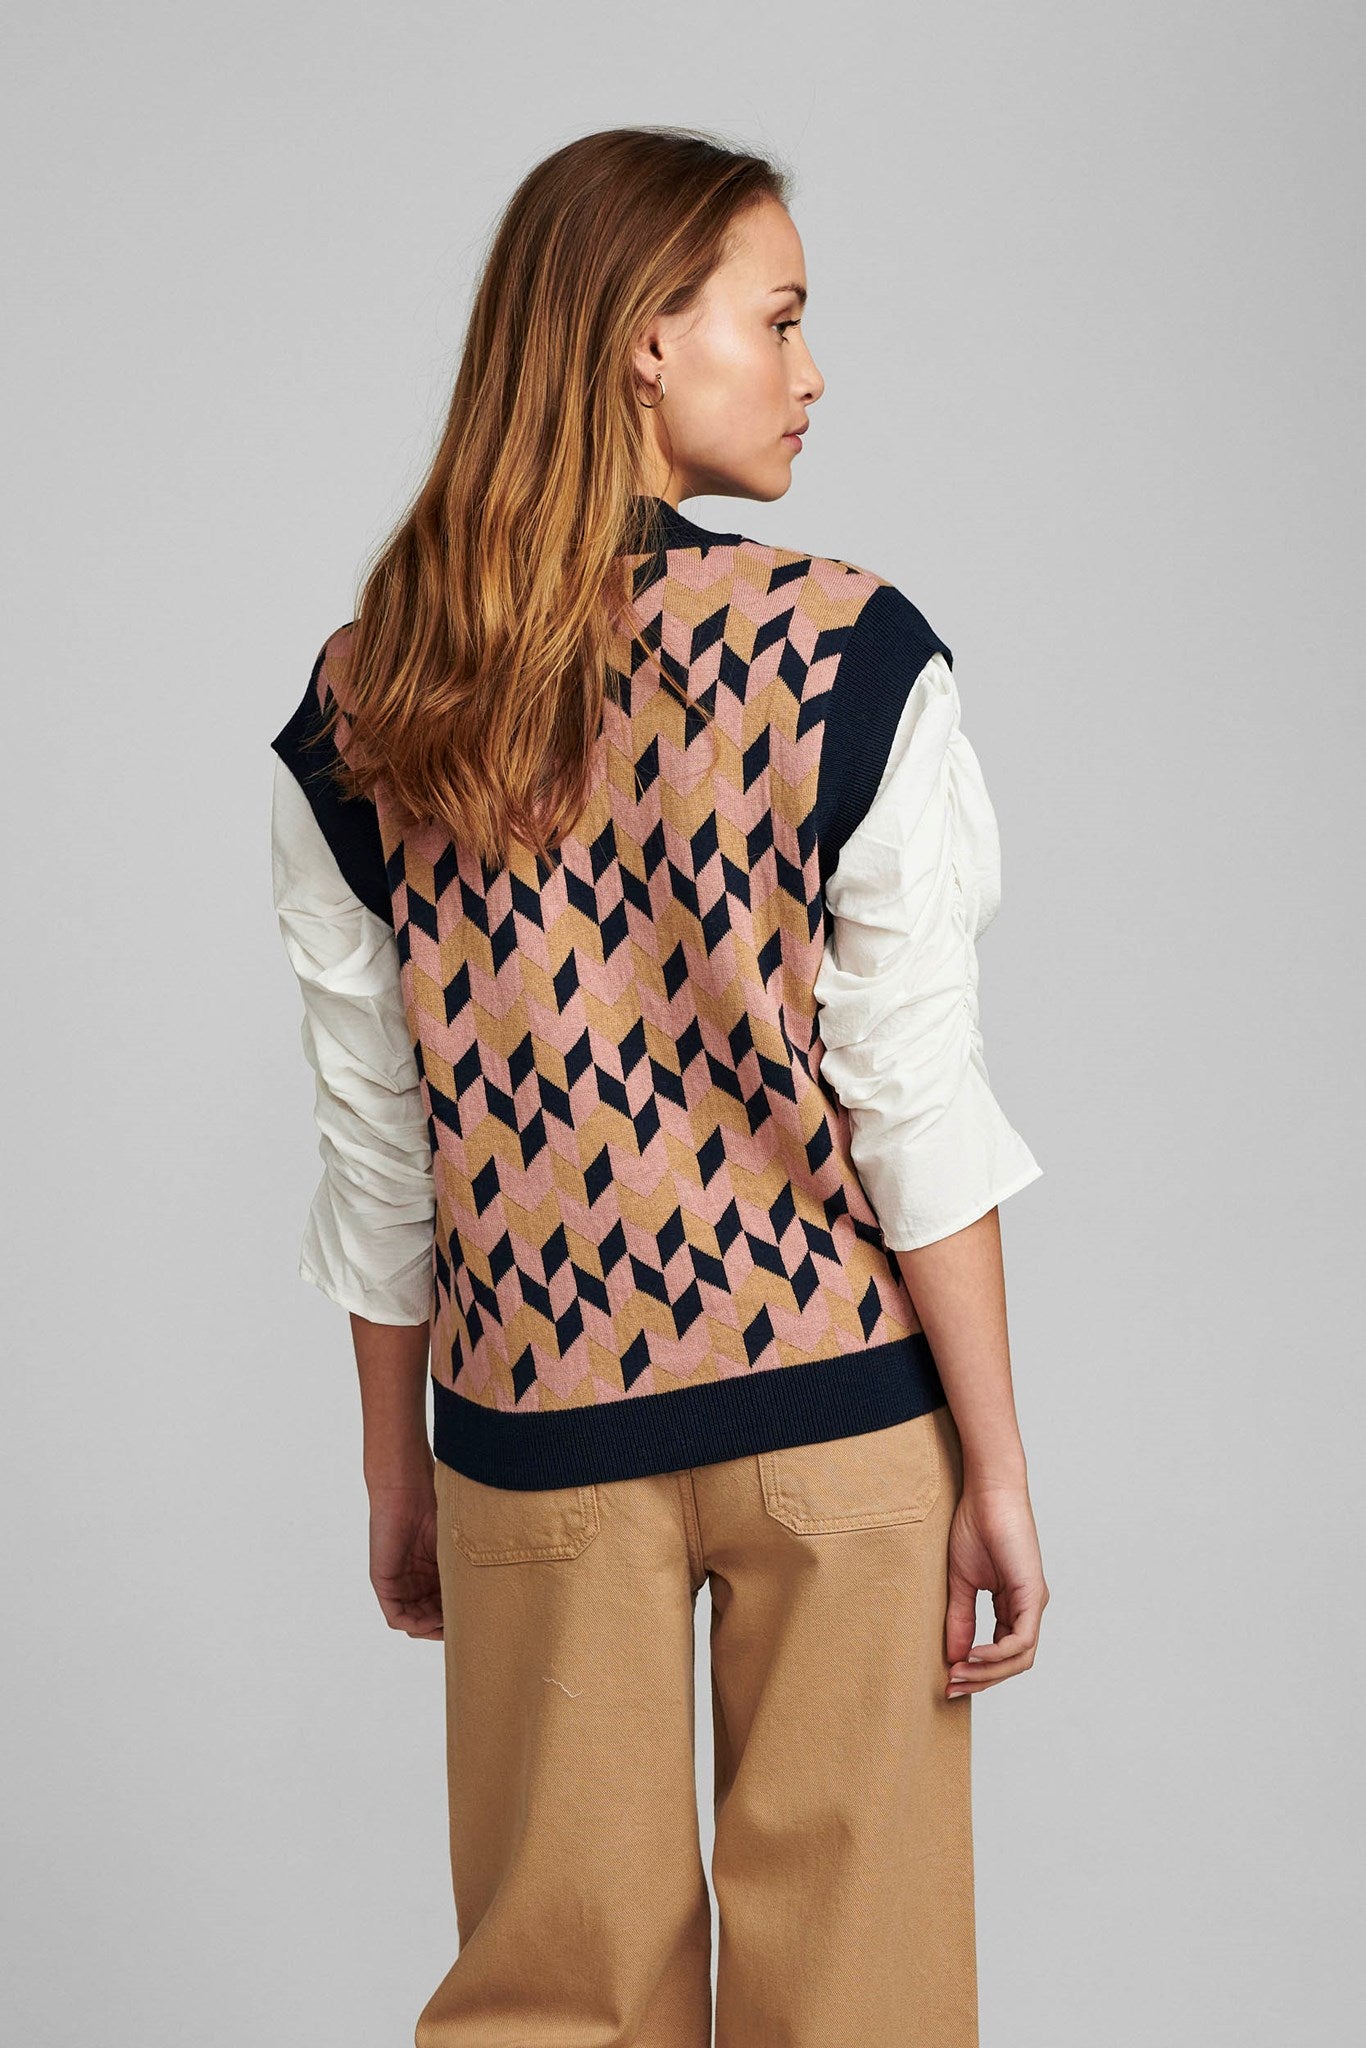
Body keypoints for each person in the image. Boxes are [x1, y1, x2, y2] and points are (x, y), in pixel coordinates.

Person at [269, 124, 1049, 2048]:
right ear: (641, 337)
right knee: (861, 2006)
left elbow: (382, 1143)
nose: (808, 370)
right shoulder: (850, 652)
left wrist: (398, 1468)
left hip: (531, 1432)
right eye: (775, 320)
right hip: (838, 1415)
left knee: (550, 2009)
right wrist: (996, 1468)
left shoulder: (374, 695)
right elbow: (910, 1101)